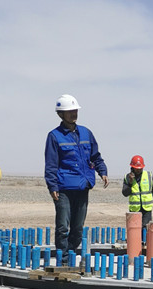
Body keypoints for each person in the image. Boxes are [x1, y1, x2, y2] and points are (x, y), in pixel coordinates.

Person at [45, 94, 108, 255]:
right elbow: (51, 164)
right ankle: (63, 258)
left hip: (83, 186)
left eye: (75, 110)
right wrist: (52, 186)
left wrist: (102, 171)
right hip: (64, 188)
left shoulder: (86, 133)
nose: (74, 114)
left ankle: (71, 254)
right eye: (70, 111)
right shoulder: (54, 136)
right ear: (61, 114)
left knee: (78, 227)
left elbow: (95, 156)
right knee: (62, 227)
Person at [121, 155, 153, 230]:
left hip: (146, 209)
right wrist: (130, 183)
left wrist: (146, 198)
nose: (139, 170)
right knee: (135, 229)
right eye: (137, 169)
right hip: (134, 209)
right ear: (132, 167)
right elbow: (125, 193)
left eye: (140, 168)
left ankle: (144, 238)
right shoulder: (127, 177)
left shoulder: (148, 175)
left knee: (145, 228)